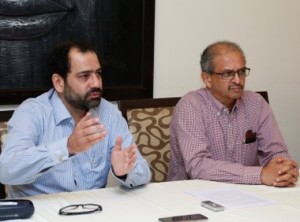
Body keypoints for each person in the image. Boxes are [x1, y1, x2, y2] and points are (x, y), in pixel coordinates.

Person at [0, 40, 151, 198]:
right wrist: (67, 147)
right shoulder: (32, 112)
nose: (96, 83)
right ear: (59, 83)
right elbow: (6, 170)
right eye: (85, 76)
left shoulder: (108, 114)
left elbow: (143, 172)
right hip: (40, 213)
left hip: (93, 212)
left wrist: (124, 173)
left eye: (98, 74)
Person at [168, 40, 299, 187]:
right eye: (227, 74)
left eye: (241, 72)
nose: (238, 80)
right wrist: (260, 174)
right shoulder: (191, 105)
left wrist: (284, 169)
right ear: (207, 79)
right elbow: (198, 166)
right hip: (192, 195)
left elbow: (276, 151)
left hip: (250, 193)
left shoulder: (255, 102)